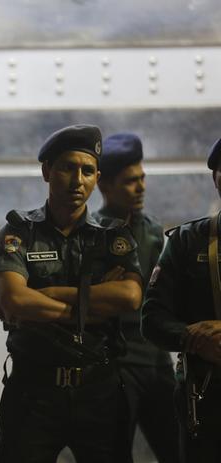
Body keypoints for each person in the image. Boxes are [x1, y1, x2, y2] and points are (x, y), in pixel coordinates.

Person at [0, 124, 143, 463]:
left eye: (88, 171)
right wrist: (88, 307)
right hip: (33, 392)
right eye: (67, 168)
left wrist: (50, 293)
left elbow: (130, 296)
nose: (78, 180)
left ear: (97, 176)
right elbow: (14, 300)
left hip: (99, 390)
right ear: (47, 171)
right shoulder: (18, 232)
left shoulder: (112, 237)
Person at [92, 133, 178, 462]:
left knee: (178, 448)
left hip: (156, 361)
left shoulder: (154, 231)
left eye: (142, 178)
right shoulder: (92, 234)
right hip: (116, 365)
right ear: (105, 186)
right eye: (130, 181)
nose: (140, 187)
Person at [142, 138, 221, 462]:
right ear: (216, 179)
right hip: (205, 399)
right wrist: (191, 337)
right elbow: (152, 319)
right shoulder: (188, 241)